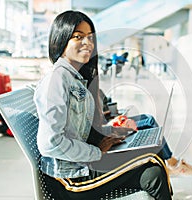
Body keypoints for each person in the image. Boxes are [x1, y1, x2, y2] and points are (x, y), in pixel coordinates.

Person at [33, 10, 172, 200]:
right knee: (152, 160)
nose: (87, 43)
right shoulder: (57, 80)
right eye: (78, 37)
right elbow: (50, 143)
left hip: (81, 166)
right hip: (70, 178)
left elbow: (77, 129)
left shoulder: (75, 77)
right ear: (61, 39)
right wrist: (96, 152)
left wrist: (107, 134)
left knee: (152, 173)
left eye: (90, 37)